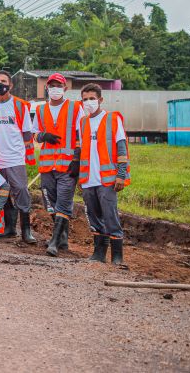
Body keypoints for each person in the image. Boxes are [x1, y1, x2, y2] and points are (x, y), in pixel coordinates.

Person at [77, 83, 131, 265]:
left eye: (92, 99)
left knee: (110, 215)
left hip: (107, 179)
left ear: (100, 100)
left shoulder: (112, 119)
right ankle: (99, 253)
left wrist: (121, 174)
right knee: (93, 215)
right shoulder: (83, 122)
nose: (88, 102)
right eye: (85, 99)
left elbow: (122, 148)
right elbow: (83, 150)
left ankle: (117, 256)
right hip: (88, 178)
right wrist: (79, 176)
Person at [0, 70, 37, 243]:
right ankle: (9, 228)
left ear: (11, 85)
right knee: (2, 192)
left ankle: (26, 230)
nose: (0, 84)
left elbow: (27, 133)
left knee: (20, 190)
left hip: (15, 157)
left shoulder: (20, 105)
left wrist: (27, 155)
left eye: (3, 81)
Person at [32, 73, 83, 257]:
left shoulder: (76, 108)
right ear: (47, 88)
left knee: (63, 202)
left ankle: (53, 242)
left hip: (68, 166)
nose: (55, 89)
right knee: (51, 204)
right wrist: (43, 136)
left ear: (65, 88)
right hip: (47, 166)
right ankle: (63, 238)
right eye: (52, 85)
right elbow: (34, 133)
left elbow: (81, 134)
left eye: (58, 85)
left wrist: (77, 159)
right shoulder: (40, 110)